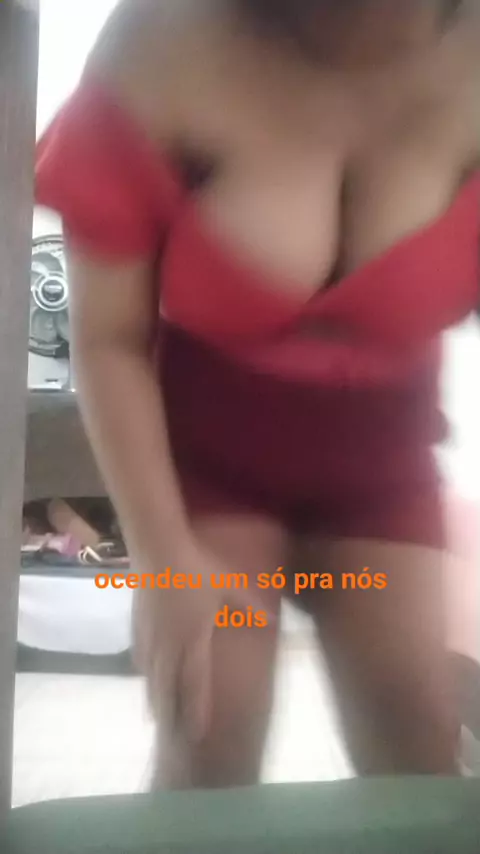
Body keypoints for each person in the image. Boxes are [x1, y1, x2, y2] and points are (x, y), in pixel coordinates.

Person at [36, 0, 480, 787]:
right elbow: (108, 341)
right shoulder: (163, 45)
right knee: (209, 736)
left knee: (418, 741)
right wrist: (163, 560)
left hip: (384, 469)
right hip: (209, 466)